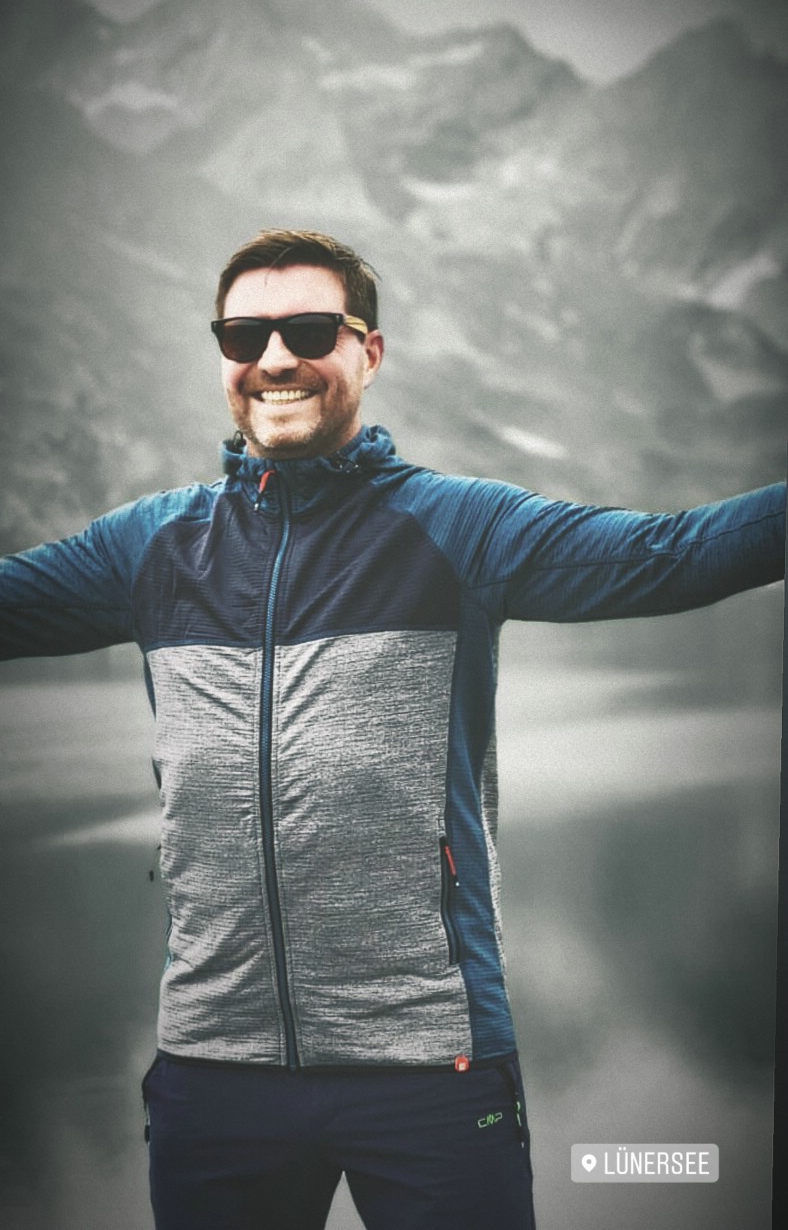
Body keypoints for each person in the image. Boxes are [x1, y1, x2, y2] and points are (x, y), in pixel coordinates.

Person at [0, 229, 784, 1230]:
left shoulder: (457, 529)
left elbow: (668, 554)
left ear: (367, 352)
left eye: (308, 330)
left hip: (430, 1067)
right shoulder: (151, 546)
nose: (274, 357)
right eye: (243, 335)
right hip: (213, 1072)